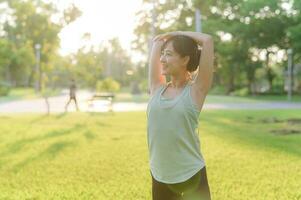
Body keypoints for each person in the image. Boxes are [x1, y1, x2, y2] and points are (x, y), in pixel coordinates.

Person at [147, 31, 214, 200]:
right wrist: (164, 41)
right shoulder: (156, 88)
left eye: (168, 54)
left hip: (191, 175)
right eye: (162, 54)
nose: (162, 59)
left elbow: (207, 40)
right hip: (160, 176)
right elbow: (157, 41)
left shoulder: (196, 91)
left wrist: (176, 33)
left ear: (185, 59)